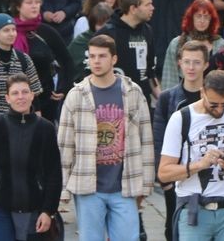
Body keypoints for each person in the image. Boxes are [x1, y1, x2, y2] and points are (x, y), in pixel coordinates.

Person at [57, 35, 155, 241]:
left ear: (114, 59)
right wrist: (62, 192)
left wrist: (145, 187)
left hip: (125, 185)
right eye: (92, 56)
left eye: (102, 56)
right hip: (88, 185)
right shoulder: (76, 95)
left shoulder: (133, 92)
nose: (96, 61)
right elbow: (65, 146)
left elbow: (146, 141)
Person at [158, 70, 224, 241]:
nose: (220, 110)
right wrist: (200, 164)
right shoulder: (181, 118)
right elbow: (164, 173)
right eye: (214, 105)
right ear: (202, 93)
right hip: (194, 209)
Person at [0, 74, 62, 241]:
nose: (20, 97)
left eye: (24, 92)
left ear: (32, 95)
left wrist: (48, 210)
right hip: (0, 204)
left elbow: (54, 172)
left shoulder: (46, 128)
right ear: (7, 98)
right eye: (15, 93)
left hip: (34, 206)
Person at [153, 40, 210, 241]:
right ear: (179, 63)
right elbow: (158, 138)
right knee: (174, 227)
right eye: (187, 62)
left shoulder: (215, 98)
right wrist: (162, 177)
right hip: (178, 175)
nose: (191, 67)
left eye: (196, 62)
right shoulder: (168, 98)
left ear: (206, 64)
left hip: (211, 176)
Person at [98, 0, 160, 102]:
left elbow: (150, 72)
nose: (152, 8)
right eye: (147, 4)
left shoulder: (147, 31)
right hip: (114, 102)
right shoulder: (108, 33)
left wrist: (161, 100)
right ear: (133, 9)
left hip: (141, 101)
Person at [0, 14, 43, 117]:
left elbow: (34, 93)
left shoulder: (24, 58)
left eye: (13, 30)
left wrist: (37, 119)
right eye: (6, 30)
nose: (11, 34)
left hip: (19, 119)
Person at [160, 0, 224, 92]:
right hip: (182, 97)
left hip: (212, 97)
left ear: (211, 20)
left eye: (206, 17)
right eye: (198, 16)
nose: (202, 20)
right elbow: (169, 78)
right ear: (192, 18)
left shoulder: (220, 44)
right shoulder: (177, 43)